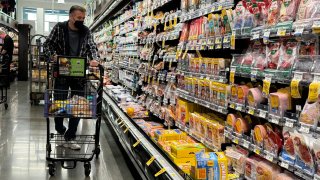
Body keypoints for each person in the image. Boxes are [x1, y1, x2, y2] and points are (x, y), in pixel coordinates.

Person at [44, 5, 99, 150]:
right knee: (59, 104)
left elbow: (92, 46)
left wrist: (94, 59)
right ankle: (60, 129)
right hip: (62, 71)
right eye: (78, 18)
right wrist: (53, 56)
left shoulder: (86, 31)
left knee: (79, 106)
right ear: (70, 17)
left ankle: (70, 136)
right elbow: (47, 44)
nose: (81, 20)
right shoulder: (59, 28)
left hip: (79, 74)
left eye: (83, 18)